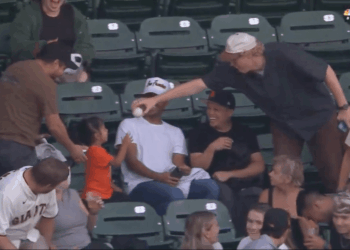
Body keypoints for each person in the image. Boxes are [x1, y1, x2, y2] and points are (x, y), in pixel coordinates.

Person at [132, 32, 349, 193]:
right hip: (285, 123)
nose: (232, 64)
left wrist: (344, 107)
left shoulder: (283, 53)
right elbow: (198, 84)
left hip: (319, 116)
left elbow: (326, 71)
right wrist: (158, 99)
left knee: (333, 174)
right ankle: (287, 226)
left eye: (235, 59)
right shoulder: (233, 71)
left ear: (249, 53)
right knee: (282, 175)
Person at [115, 77, 220, 215]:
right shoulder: (129, 124)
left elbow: (177, 163)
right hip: (140, 184)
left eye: (156, 97)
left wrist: (182, 170)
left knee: (209, 187)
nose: (151, 102)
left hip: (169, 182)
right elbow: (132, 162)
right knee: (174, 195)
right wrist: (159, 177)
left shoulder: (175, 131)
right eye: (148, 96)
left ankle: (198, 226)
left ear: (166, 102)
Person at [0, 42, 87, 177]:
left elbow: (15, 106)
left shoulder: (14, 68)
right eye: (63, 68)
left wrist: (31, 133)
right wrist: (73, 148)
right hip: (17, 149)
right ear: (56, 63)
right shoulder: (46, 83)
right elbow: (54, 125)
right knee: (21, 193)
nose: (62, 73)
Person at [188, 89, 265, 237]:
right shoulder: (198, 132)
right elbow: (197, 165)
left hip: (243, 180)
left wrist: (230, 174)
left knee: (256, 195)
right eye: (209, 108)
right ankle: (233, 238)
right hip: (214, 182)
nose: (211, 113)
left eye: (216, 110)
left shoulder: (244, 132)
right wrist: (211, 148)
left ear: (229, 112)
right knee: (225, 194)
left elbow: (259, 165)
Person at [10, 0, 94, 82]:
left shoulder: (73, 13)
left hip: (69, 66)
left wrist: (79, 64)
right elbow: (17, 48)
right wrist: (44, 46)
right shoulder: (27, 15)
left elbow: (86, 45)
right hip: (40, 67)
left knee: (82, 79)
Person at [0, 157, 69, 250]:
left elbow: (48, 217)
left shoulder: (43, 177)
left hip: (29, 235)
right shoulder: (7, 195)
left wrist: (48, 243)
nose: (56, 189)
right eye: (55, 186)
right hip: (5, 238)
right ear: (48, 185)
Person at [73, 117, 131, 203]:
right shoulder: (96, 151)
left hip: (101, 193)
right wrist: (125, 145)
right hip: (98, 196)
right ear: (97, 135)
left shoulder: (96, 150)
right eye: (104, 129)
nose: (107, 130)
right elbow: (117, 162)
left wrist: (114, 187)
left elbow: (103, 174)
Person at [51, 174, 114, 249]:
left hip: (87, 245)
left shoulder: (73, 193)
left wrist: (93, 212)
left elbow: (90, 228)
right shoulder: (42, 200)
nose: (68, 177)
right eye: (64, 174)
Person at [259, 155, 304, 248]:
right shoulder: (266, 195)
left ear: (287, 179)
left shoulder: (304, 197)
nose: (270, 174)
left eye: (275, 172)